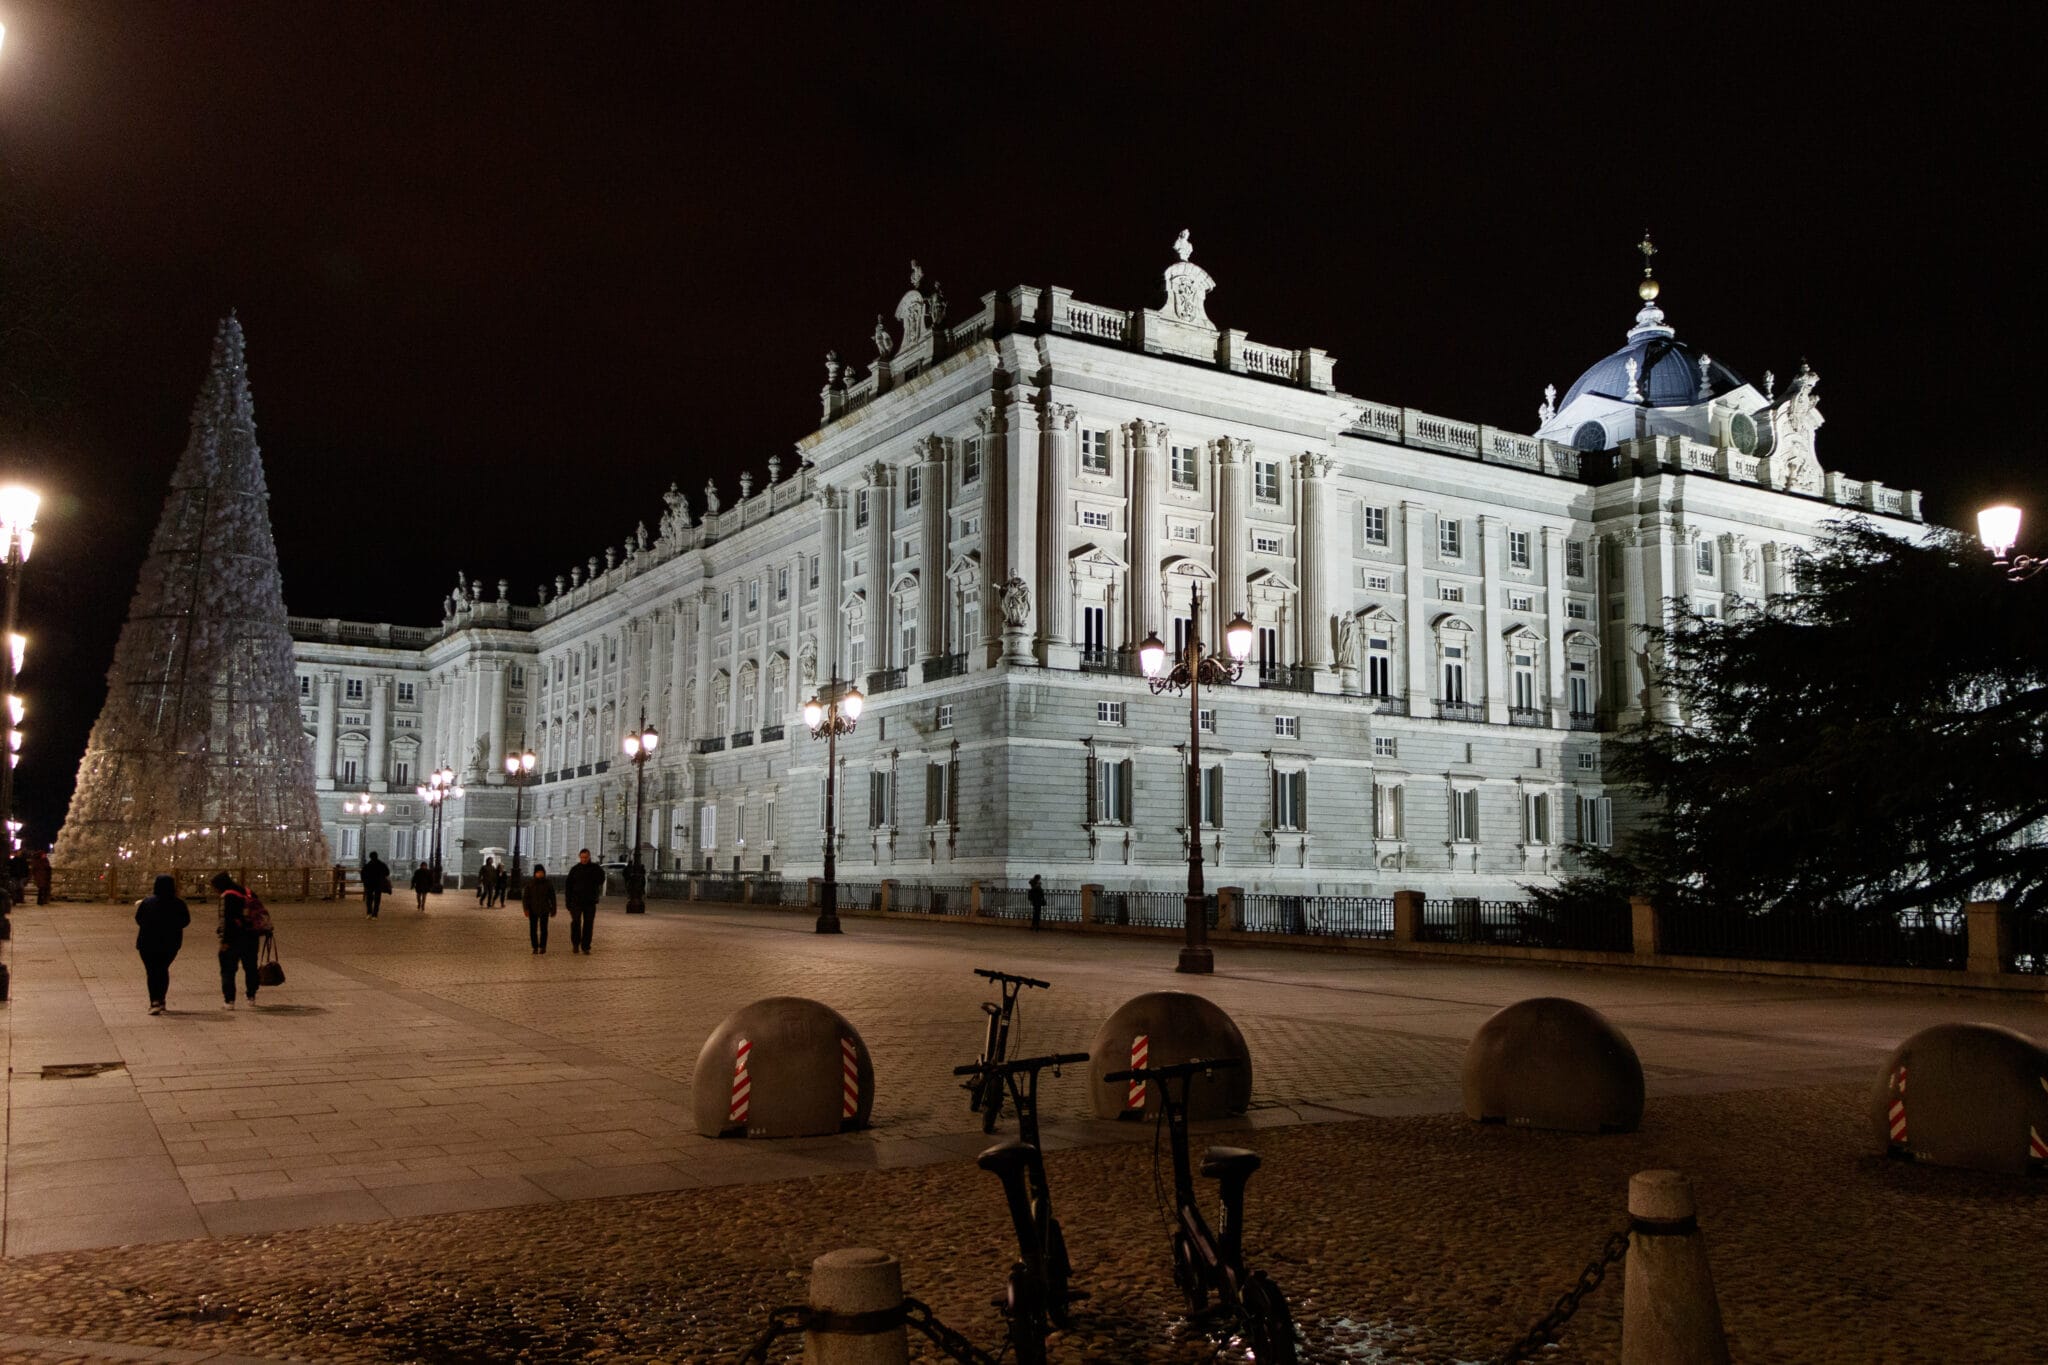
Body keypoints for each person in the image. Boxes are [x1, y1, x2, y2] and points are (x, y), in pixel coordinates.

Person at [134, 874, 190, 1015]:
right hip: (170, 943)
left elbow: (138, 919)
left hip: (148, 943)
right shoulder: (178, 903)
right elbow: (185, 921)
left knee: (152, 972)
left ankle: (154, 1001)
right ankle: (161, 999)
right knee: (162, 970)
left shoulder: (147, 902)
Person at [211, 871, 261, 1009]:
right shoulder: (248, 892)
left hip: (233, 939)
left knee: (228, 969)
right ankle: (251, 996)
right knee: (250, 967)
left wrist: (224, 941)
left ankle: (229, 1001)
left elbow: (226, 920)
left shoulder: (227, 896)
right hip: (252, 936)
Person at [564, 847, 604, 954]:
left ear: (589, 857)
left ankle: (586, 946)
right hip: (576, 901)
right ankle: (576, 944)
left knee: (588, 924)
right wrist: (568, 902)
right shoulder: (575, 869)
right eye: (582, 857)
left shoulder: (595, 868)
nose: (584, 859)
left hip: (590, 902)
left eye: (585, 857)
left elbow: (601, 879)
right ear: (579, 857)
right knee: (576, 922)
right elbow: (568, 886)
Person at [522, 863, 556, 954]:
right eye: (538, 872)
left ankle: (543, 946)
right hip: (532, 909)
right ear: (535, 873)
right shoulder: (530, 883)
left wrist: (553, 909)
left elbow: (552, 897)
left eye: (541, 872)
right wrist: (526, 909)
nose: (540, 874)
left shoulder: (548, 883)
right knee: (533, 929)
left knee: (544, 929)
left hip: (544, 909)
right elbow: (525, 897)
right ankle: (535, 947)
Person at [361, 852, 390, 919]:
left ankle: (369, 913)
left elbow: (363, 874)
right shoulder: (381, 864)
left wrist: (365, 882)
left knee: (369, 899)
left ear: (370, 857)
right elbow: (387, 872)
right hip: (378, 883)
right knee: (377, 899)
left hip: (369, 884)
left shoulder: (367, 865)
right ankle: (375, 914)